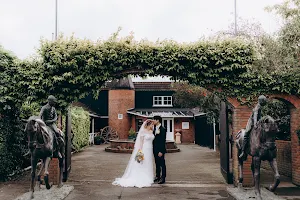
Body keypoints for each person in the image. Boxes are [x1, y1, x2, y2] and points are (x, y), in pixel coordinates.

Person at [112, 120, 155, 188]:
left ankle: (149, 176)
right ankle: (140, 177)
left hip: (150, 149)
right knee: (142, 162)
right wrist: (140, 151)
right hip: (144, 148)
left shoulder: (151, 131)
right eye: (152, 125)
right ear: (148, 125)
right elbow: (141, 142)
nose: (153, 126)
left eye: (153, 125)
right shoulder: (143, 132)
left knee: (148, 163)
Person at [152, 115, 167, 184]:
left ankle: (163, 178)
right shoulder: (154, 128)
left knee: (162, 164)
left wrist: (161, 151)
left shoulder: (163, 129)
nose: (153, 121)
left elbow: (162, 141)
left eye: (154, 120)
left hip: (160, 150)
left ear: (158, 120)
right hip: (155, 149)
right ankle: (157, 176)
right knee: (157, 163)